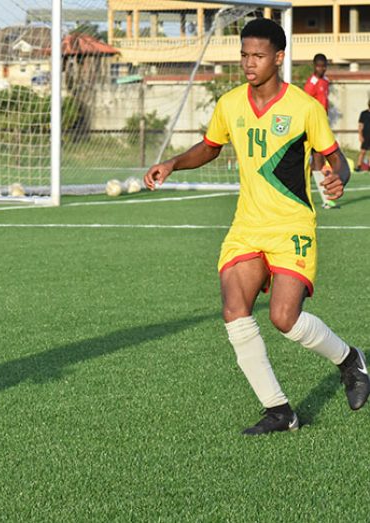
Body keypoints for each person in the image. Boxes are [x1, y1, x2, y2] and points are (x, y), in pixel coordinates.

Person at [143, 18, 369, 435]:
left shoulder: (304, 107)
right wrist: (173, 162)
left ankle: (349, 360)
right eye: (244, 55)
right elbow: (210, 147)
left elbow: (335, 158)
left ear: (278, 58)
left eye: (258, 56)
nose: (249, 63)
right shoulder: (230, 104)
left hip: (291, 225)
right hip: (247, 225)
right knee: (234, 310)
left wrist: (341, 177)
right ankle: (280, 412)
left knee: (285, 318)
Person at [303, 53, 337, 209]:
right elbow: (305, 104)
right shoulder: (312, 83)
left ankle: (322, 198)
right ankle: (325, 199)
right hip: (312, 125)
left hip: (321, 124)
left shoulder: (325, 81)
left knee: (317, 162)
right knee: (317, 161)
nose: (321, 69)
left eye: (324, 66)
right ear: (314, 66)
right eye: (319, 66)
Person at [356, 100, 370, 171]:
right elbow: (360, 125)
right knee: (363, 151)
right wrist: (360, 135)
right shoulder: (364, 113)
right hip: (365, 135)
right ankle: (358, 166)